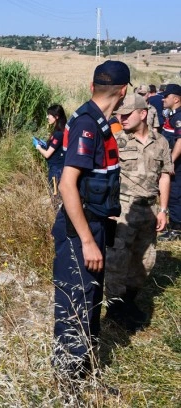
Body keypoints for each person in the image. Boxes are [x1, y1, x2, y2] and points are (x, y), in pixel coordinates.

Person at [51, 60, 127, 382]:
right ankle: (68, 387)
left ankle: (86, 376)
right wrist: (87, 241)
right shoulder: (87, 125)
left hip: (94, 225)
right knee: (75, 307)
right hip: (80, 231)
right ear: (123, 91)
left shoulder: (99, 123)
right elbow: (68, 185)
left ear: (93, 86)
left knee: (90, 303)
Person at [105, 92, 172, 331]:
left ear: (143, 114)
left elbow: (165, 176)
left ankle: (128, 303)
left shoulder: (161, 142)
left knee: (145, 260)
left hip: (150, 209)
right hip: (123, 209)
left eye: (127, 114)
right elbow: (105, 176)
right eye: (119, 115)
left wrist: (163, 209)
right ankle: (114, 310)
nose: (121, 118)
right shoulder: (116, 140)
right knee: (117, 260)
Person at [159, 84, 181, 241]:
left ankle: (176, 229)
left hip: (177, 164)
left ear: (176, 99)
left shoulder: (179, 117)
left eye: (166, 96)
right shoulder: (173, 115)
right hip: (174, 162)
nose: (163, 99)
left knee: (174, 195)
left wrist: (170, 162)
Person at [33, 104, 67, 203]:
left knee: (55, 196)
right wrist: (44, 143)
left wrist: (38, 147)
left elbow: (47, 154)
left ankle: (58, 215)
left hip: (56, 169)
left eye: (49, 115)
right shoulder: (58, 131)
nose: (47, 117)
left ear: (56, 117)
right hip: (56, 167)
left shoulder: (59, 133)